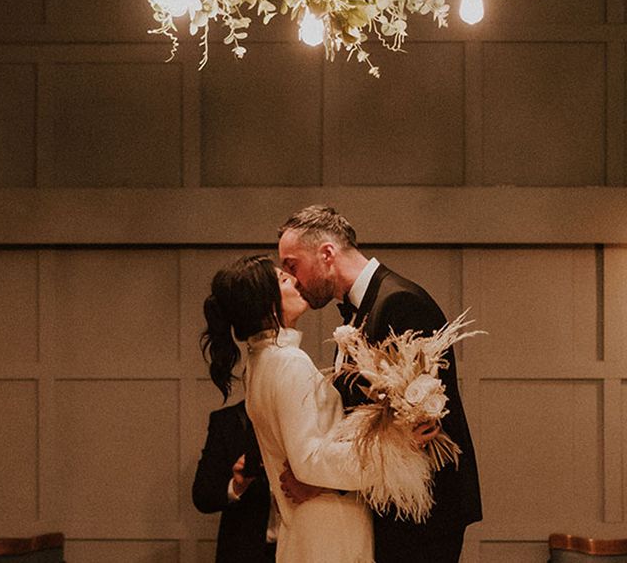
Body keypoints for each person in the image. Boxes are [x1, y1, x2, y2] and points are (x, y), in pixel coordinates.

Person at [278, 205, 482, 563]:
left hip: (422, 518)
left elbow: (414, 433)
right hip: (391, 511)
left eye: (293, 265)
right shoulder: (364, 307)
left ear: (327, 253)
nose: (291, 279)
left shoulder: (400, 303)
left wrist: (323, 482)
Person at [200, 255, 377, 563]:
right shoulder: (288, 362)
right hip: (327, 525)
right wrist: (384, 460)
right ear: (266, 304)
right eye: (284, 280)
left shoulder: (260, 361)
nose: (296, 281)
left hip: (307, 522)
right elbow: (308, 460)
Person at [191, 400, 275, 563]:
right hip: (244, 550)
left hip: (303, 546)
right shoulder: (230, 421)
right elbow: (203, 496)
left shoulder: (315, 417)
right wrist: (237, 487)